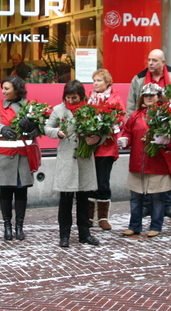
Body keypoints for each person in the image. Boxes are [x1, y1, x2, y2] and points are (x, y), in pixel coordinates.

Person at [117, 83, 171, 238]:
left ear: (158, 97)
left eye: (152, 95)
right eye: (146, 95)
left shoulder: (166, 114)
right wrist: (125, 140)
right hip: (138, 163)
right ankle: (134, 225)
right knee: (135, 197)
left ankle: (156, 225)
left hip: (157, 162)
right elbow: (128, 131)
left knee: (157, 197)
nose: (148, 98)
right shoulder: (136, 115)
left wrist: (167, 141)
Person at [126, 48, 171, 220]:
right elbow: (131, 104)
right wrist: (130, 127)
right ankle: (146, 205)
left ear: (163, 62)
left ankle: (167, 204)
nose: (150, 63)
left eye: (154, 60)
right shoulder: (139, 79)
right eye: (149, 60)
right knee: (146, 167)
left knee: (166, 166)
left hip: (167, 129)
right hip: (143, 127)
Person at [45, 80, 101, 247]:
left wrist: (97, 138)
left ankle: (85, 233)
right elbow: (47, 127)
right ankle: (64, 235)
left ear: (82, 96)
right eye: (68, 98)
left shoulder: (90, 110)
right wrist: (57, 132)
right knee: (65, 200)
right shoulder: (58, 110)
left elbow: (102, 131)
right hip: (66, 160)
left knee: (84, 199)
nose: (70, 101)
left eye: (74, 98)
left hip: (84, 160)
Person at [0, 76, 40, 241]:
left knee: (21, 191)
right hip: (4, 157)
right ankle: (7, 227)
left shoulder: (29, 106)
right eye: (3, 88)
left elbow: (38, 130)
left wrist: (32, 127)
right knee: (6, 191)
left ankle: (19, 227)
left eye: (7, 89)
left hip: (23, 156)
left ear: (17, 89)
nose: (3, 92)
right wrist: (1, 129)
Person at [86, 69, 125, 230]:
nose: (95, 83)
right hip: (89, 148)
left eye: (99, 80)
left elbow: (120, 119)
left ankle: (102, 217)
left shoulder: (115, 98)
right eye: (94, 80)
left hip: (106, 148)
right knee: (89, 183)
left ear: (108, 82)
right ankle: (88, 216)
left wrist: (104, 131)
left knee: (102, 183)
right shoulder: (89, 98)